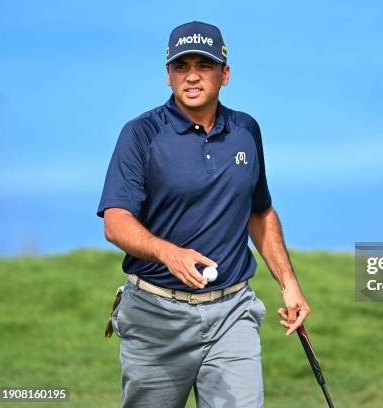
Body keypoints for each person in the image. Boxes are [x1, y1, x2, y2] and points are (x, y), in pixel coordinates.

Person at [97, 20, 310, 408]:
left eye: (204, 66)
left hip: (232, 312)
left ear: (224, 74)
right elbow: (116, 222)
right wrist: (169, 253)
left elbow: (260, 213)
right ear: (168, 75)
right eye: (181, 66)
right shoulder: (140, 134)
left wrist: (288, 283)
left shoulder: (246, 131)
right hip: (155, 317)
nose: (192, 77)